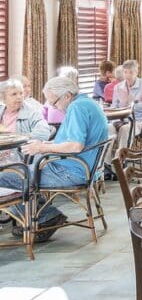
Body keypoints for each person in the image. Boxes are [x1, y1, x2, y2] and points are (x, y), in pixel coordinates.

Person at [1, 76, 108, 241]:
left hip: (70, 172)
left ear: (67, 96)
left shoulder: (76, 108)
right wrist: (46, 143)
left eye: (54, 102)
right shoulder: (87, 103)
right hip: (79, 168)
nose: (53, 107)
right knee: (18, 173)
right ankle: (41, 214)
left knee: (6, 177)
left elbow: (75, 146)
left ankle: (45, 217)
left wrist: (42, 147)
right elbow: (70, 141)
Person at [0, 79, 51, 164]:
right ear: (3, 97)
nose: (19, 97)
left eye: (21, 93)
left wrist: (17, 140)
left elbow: (43, 133)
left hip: (19, 158)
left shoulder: (32, 113)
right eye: (14, 94)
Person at [111, 60, 142, 149]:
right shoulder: (118, 87)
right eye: (125, 72)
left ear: (136, 72)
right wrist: (122, 106)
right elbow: (114, 107)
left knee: (125, 129)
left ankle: (121, 159)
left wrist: (133, 103)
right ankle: (106, 161)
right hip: (122, 120)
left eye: (131, 72)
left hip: (141, 121)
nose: (128, 75)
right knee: (107, 128)